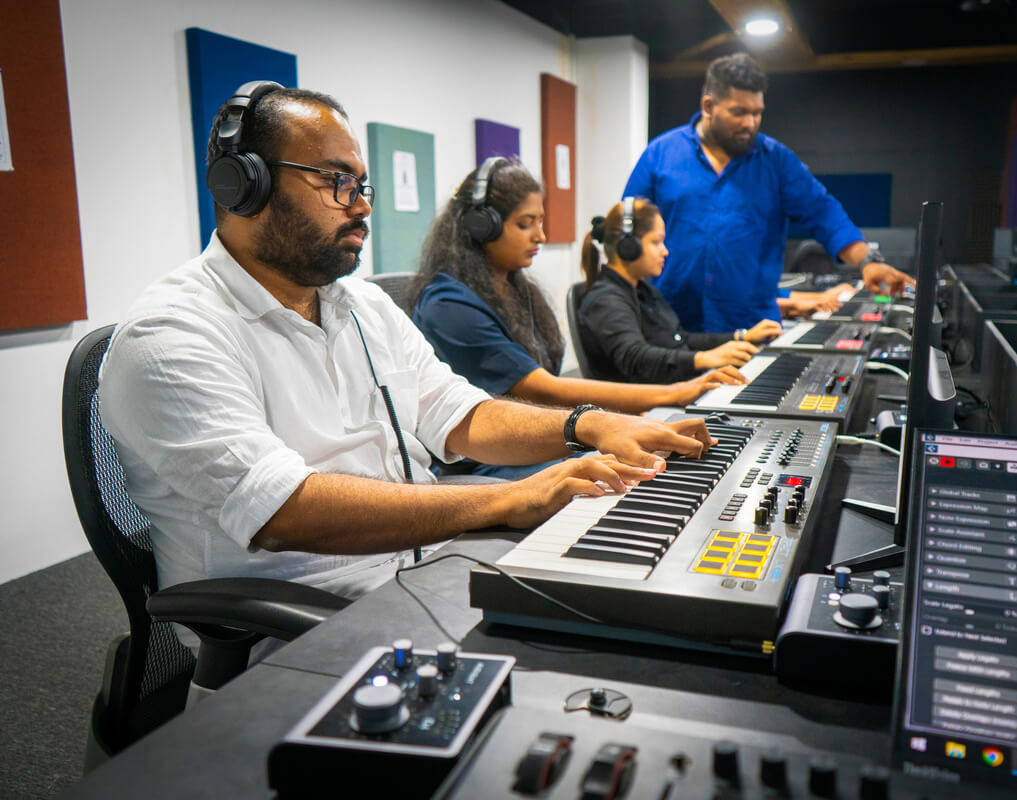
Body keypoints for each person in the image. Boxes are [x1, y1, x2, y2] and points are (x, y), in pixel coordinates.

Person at [98, 83, 714, 619]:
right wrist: (507, 497)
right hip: (290, 626)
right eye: (336, 182)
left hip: (421, 572)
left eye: (361, 184)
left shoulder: (358, 304)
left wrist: (588, 426)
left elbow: (458, 412)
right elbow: (285, 509)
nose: (363, 204)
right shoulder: (171, 334)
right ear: (244, 186)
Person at [407, 158, 745, 424]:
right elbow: (542, 389)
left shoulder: (513, 290)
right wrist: (674, 393)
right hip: (494, 459)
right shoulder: (449, 306)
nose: (540, 236)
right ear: (481, 226)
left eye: (540, 221)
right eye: (526, 224)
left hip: (537, 431)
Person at [624, 53, 916, 333]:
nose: (750, 123)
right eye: (739, 112)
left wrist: (868, 261)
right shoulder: (660, 155)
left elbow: (825, 214)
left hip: (750, 329)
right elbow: (628, 229)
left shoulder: (777, 161)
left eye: (757, 113)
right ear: (709, 106)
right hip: (670, 324)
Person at [577, 197, 784, 383]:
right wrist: (704, 359)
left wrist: (742, 336)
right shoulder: (606, 299)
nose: (665, 251)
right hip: (646, 411)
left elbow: (680, 339)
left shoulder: (641, 291)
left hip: (673, 389)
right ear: (628, 246)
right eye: (656, 242)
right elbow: (635, 359)